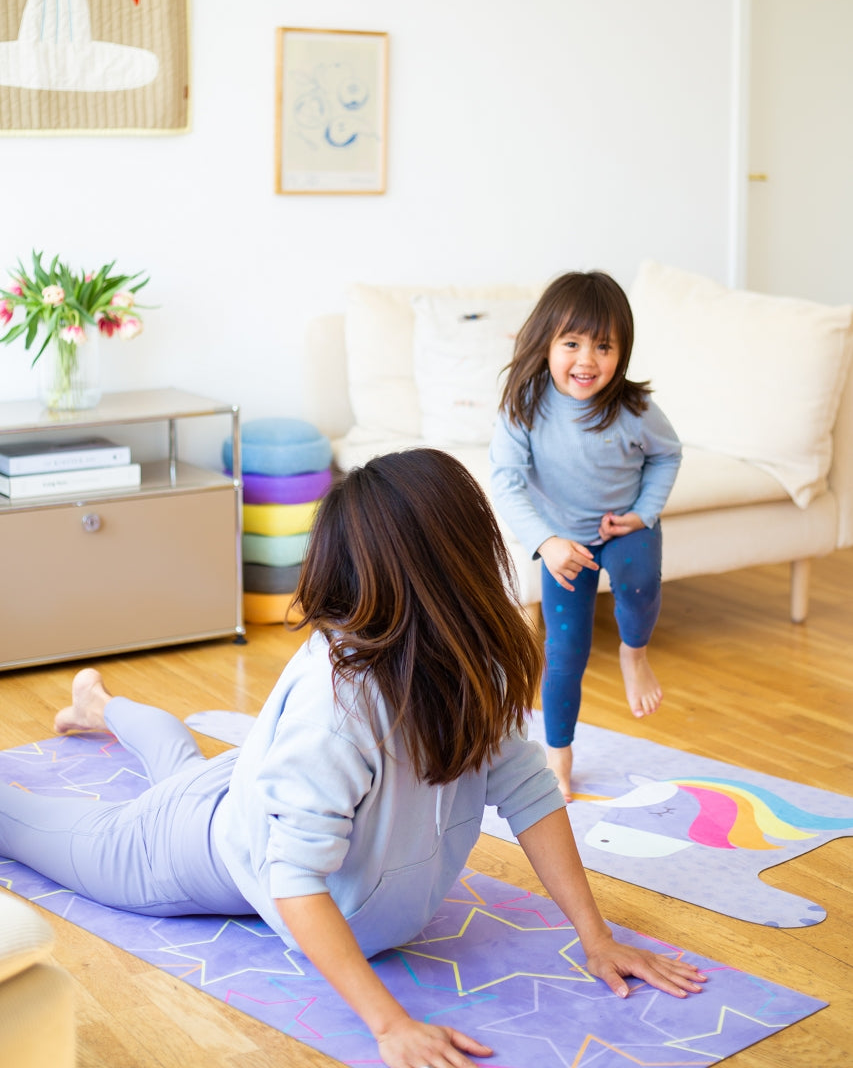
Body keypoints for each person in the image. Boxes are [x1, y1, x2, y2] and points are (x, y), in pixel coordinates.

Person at [0, 449, 703, 1068]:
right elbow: (294, 877)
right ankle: (97, 710)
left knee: (183, 762)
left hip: (256, 789)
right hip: (194, 844)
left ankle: (97, 708)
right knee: (26, 823)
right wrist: (388, 1023)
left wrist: (597, 937)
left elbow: (528, 791)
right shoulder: (338, 713)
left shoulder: (467, 663)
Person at [490, 271, 682, 802]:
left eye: (604, 346)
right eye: (571, 343)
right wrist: (547, 543)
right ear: (546, 342)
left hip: (622, 525)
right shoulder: (524, 406)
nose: (587, 360)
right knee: (565, 650)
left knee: (638, 579)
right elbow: (504, 482)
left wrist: (643, 513)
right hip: (563, 543)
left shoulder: (634, 408)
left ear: (622, 353)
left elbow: (669, 452)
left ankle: (634, 654)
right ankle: (558, 757)